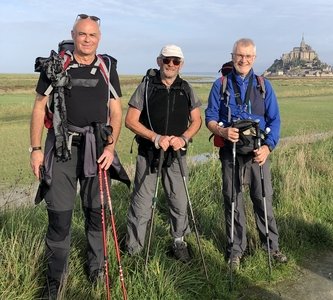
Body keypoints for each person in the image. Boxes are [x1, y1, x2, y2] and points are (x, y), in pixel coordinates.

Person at [30, 14, 128, 298]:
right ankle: (55, 281)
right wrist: (36, 151)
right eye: (82, 34)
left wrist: (110, 147)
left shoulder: (107, 66)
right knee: (59, 217)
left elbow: (116, 110)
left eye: (92, 35)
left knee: (96, 214)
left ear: (99, 38)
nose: (87, 39)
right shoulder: (56, 65)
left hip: (97, 149)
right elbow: (39, 108)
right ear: (73, 35)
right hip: (62, 148)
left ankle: (96, 269)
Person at [205, 38, 287, 268]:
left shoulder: (263, 85)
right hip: (230, 153)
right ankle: (235, 250)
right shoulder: (220, 84)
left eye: (248, 56)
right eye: (240, 55)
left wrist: (268, 147)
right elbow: (209, 117)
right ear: (232, 56)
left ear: (254, 58)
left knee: (263, 201)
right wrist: (222, 130)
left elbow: (275, 120)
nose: (244, 60)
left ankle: (271, 248)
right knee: (232, 202)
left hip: (257, 153)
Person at [125, 44, 202, 263]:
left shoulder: (186, 88)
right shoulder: (147, 86)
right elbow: (130, 120)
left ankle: (179, 241)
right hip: (149, 153)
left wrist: (183, 138)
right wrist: (155, 138)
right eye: (167, 60)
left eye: (175, 61)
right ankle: (135, 251)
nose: (171, 65)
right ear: (159, 61)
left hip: (177, 155)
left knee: (179, 201)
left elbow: (197, 120)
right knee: (141, 203)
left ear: (181, 64)